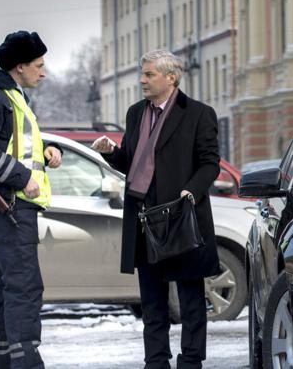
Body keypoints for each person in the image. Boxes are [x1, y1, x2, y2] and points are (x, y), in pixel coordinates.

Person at [92, 49, 221, 369]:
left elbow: (210, 164)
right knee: (152, 299)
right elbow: (132, 163)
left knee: (191, 298)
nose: (142, 80)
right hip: (143, 217)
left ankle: (191, 360)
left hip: (181, 215)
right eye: (142, 73)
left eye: (149, 74)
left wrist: (191, 190)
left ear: (171, 77)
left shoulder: (198, 113)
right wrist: (112, 153)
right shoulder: (136, 113)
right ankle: (156, 361)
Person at [0, 30, 62, 369]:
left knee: (4, 287)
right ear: (19, 66)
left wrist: (47, 153)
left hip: (13, 205)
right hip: (9, 206)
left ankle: (0, 363)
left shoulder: (13, 98)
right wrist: (22, 179)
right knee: (24, 286)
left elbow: (16, 146)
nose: (43, 72)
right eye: (39, 65)